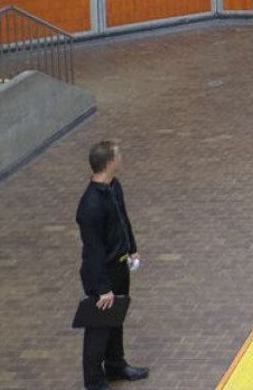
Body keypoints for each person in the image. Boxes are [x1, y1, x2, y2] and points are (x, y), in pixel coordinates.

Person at [76, 140, 148, 389]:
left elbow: (122, 219)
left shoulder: (113, 187)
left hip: (118, 267)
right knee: (98, 328)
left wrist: (132, 248)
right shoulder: (91, 205)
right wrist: (102, 287)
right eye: (118, 154)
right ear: (109, 162)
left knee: (116, 320)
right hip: (103, 273)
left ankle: (116, 365)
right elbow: (93, 250)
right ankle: (94, 381)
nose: (121, 157)